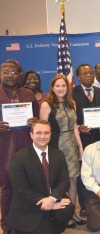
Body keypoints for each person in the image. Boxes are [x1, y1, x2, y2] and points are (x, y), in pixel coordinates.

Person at [8, 120, 74, 234]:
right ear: (31, 135)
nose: (43, 136)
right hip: (30, 204)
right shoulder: (19, 157)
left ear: (50, 134)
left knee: (67, 207)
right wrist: (47, 203)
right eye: (38, 133)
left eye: (46, 133)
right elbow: (21, 189)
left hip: (51, 197)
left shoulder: (58, 154)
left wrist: (52, 199)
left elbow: (65, 181)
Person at [39, 74, 85, 228]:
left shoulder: (72, 103)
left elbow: (74, 126)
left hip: (71, 146)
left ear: (68, 87)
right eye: (57, 86)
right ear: (52, 88)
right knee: (59, 181)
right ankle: (62, 214)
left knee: (73, 181)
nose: (61, 89)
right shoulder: (47, 105)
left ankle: (72, 212)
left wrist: (80, 146)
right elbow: (42, 130)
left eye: (63, 86)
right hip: (55, 147)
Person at [0, 59, 39, 234]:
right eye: (6, 72)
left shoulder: (27, 94)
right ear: (1, 74)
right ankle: (7, 224)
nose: (10, 75)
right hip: (4, 146)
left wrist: (34, 121)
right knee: (7, 186)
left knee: (28, 184)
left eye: (14, 72)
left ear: (19, 75)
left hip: (25, 145)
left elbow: (38, 119)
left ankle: (27, 220)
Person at [73, 64, 100, 218]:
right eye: (85, 73)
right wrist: (79, 127)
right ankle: (83, 205)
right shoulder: (72, 93)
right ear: (78, 77)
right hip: (82, 140)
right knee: (84, 174)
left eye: (90, 72)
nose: (89, 75)